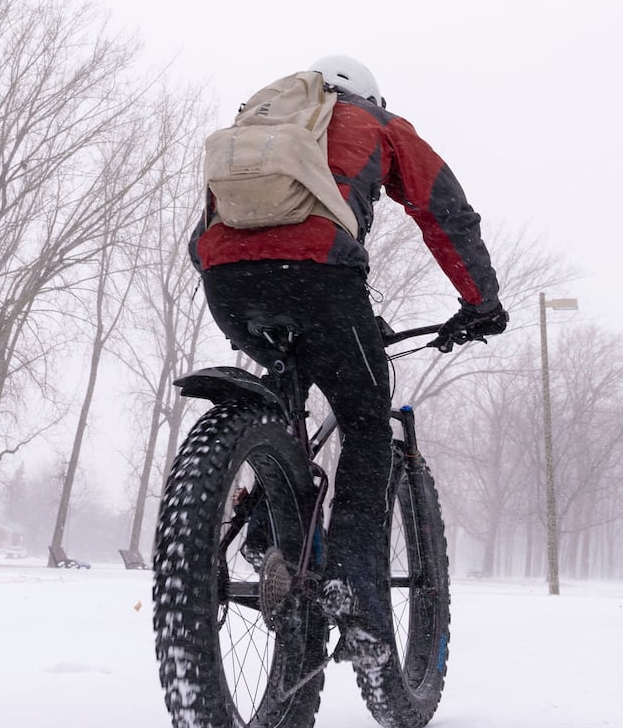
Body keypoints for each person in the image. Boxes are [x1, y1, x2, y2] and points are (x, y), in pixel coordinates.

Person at [190, 54, 506, 674]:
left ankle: (268, 533)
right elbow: (444, 212)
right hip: (322, 279)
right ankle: (358, 595)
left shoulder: (260, 127)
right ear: (370, 97)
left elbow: (210, 228)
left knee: (286, 396)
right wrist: (479, 302)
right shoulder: (379, 125)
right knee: (364, 423)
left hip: (228, 283)